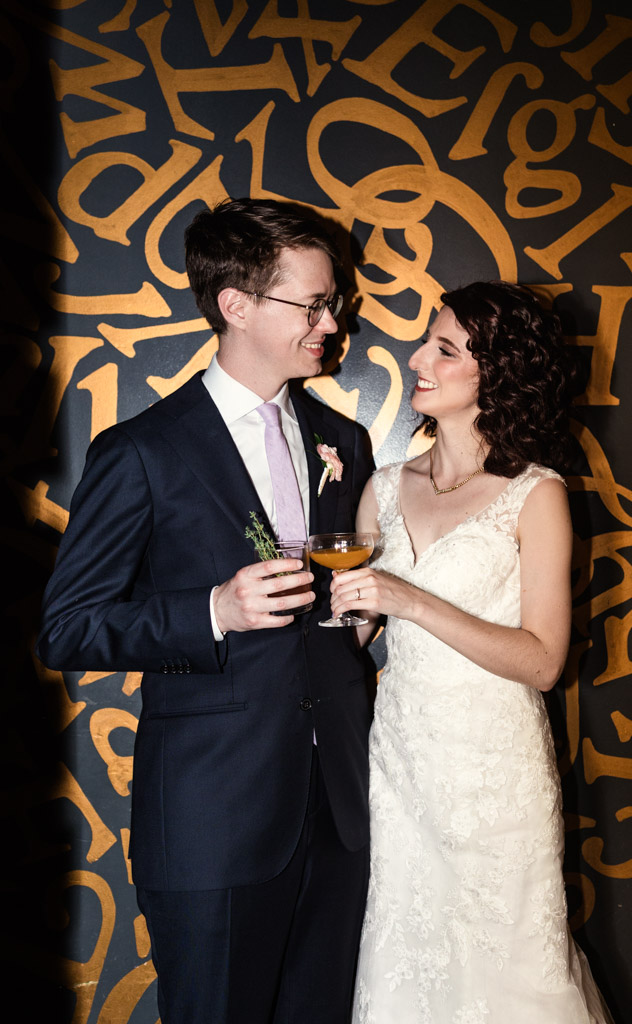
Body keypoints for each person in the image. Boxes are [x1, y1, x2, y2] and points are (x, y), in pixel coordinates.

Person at [36, 198, 375, 1024]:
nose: (332, 322)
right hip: (212, 819)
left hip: (342, 811)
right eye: (314, 303)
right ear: (237, 305)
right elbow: (68, 626)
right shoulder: (143, 450)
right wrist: (212, 610)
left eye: (331, 304)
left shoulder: (346, 440)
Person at [330, 281, 613, 1023]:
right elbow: (354, 633)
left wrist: (408, 600)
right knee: (404, 967)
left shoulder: (536, 495)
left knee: (510, 975)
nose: (417, 357)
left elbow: (543, 661)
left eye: (445, 349)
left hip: (495, 780)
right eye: (428, 340)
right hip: (400, 770)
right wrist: (331, 610)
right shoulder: (384, 487)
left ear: (497, 375)